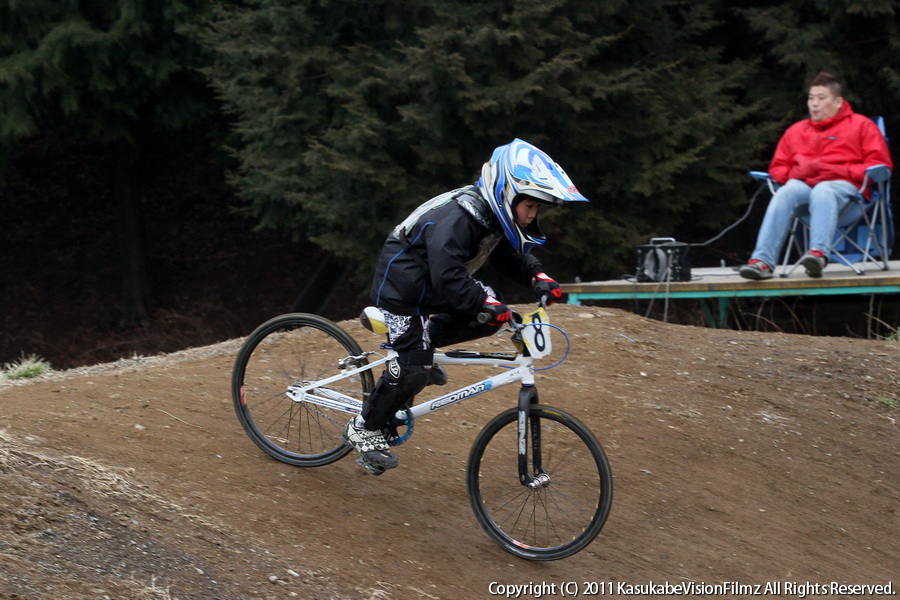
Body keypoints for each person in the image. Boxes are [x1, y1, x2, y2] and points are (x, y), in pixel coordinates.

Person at [342, 138, 589, 475]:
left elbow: (504, 253)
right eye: (529, 206)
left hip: (436, 286)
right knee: (414, 366)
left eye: (536, 209)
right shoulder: (459, 217)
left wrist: (536, 275)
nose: (532, 216)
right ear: (505, 193)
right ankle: (364, 427)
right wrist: (483, 301)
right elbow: (448, 276)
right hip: (403, 289)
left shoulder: (489, 216)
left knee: (489, 319)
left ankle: (420, 347)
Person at [740, 72, 893, 280]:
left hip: (849, 199)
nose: (814, 104)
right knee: (786, 191)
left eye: (821, 98)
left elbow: (880, 166)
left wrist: (840, 171)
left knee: (824, 188)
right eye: (811, 98)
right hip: (806, 194)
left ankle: (818, 254)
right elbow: (777, 169)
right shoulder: (796, 131)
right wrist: (799, 172)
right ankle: (762, 262)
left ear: (838, 102)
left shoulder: (862, 126)